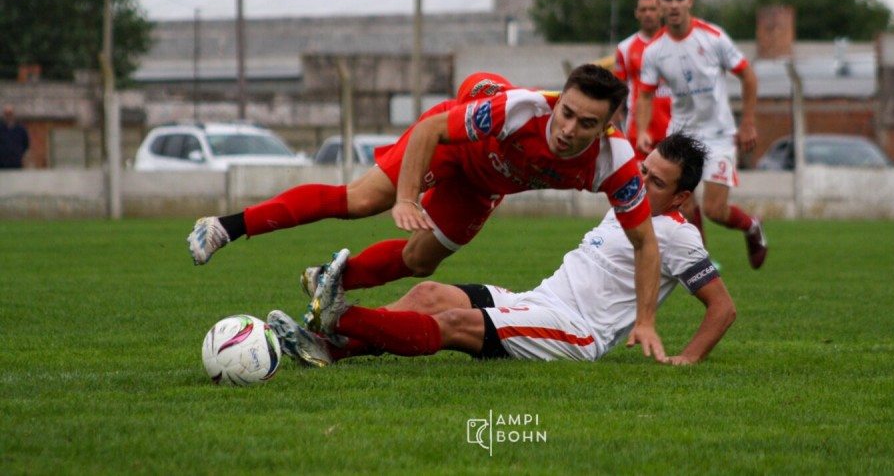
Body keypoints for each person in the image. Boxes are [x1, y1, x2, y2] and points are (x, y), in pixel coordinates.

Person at [189, 64, 666, 357]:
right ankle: (224, 227)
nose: (568, 129)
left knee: (420, 260)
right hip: (451, 149)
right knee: (361, 201)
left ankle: (328, 280)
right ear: (557, 100)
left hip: (483, 188)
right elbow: (429, 131)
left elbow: (645, 242)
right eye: (566, 112)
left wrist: (644, 320)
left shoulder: (615, 163)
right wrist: (405, 198)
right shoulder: (519, 110)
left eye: (586, 123)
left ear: (607, 127)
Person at [267, 134, 735, 367]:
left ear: (680, 198)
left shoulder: (678, 233)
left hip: (575, 332)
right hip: (538, 301)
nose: (642, 181)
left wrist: (687, 360)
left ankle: (338, 318)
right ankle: (329, 347)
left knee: (453, 324)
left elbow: (723, 307)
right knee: (429, 293)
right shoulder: (628, 203)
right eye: (644, 169)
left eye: (656, 181)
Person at [634, 0, 768, 269]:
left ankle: (751, 227)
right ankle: (701, 262)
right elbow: (644, 94)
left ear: (689, 1)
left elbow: (748, 76)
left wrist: (748, 123)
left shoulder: (713, 37)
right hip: (681, 133)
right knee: (681, 202)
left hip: (718, 133)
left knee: (714, 210)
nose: (674, 5)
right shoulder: (654, 50)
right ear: (660, 4)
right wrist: (642, 130)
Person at [611, 0, 673, 156]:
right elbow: (617, 91)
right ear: (636, 13)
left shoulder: (676, 44)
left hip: (674, 128)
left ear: (661, 11)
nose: (648, 14)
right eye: (643, 9)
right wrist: (610, 127)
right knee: (639, 180)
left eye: (652, 9)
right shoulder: (625, 47)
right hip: (637, 132)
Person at [0, 104, 30, 169]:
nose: (8, 116)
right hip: (2, 166)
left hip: (16, 165)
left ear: (13, 114)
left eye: (10, 114)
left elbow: (26, 145)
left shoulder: (21, 129)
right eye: (6, 114)